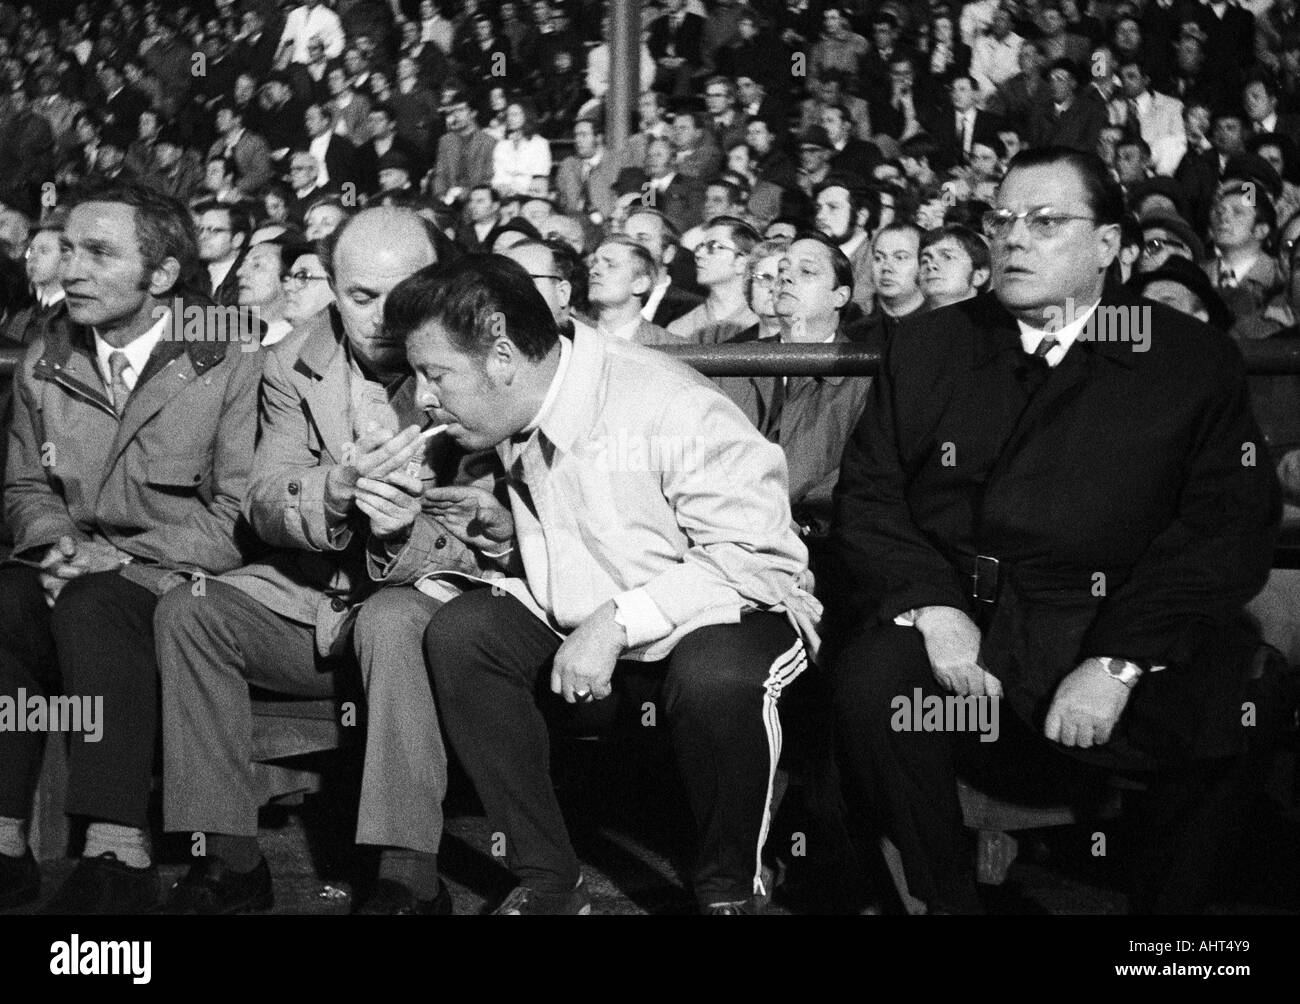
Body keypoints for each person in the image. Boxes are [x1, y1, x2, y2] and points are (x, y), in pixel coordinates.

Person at [830, 147, 1283, 915]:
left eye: (1045, 222)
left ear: (1107, 246)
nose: (1013, 238)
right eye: (1002, 220)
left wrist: (1119, 660)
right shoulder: (932, 346)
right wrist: (934, 610)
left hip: (1114, 629)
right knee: (876, 684)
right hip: (968, 645)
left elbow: (1227, 527)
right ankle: (944, 904)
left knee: (1244, 696)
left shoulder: (1185, 358)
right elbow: (871, 499)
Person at [390, 254, 818, 914]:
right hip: (606, 626)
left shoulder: (669, 401)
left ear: (502, 355)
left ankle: (732, 887)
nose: (422, 396)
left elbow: (759, 560)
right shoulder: (528, 394)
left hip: (734, 610)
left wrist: (617, 619)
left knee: (714, 677)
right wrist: (506, 536)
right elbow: (605, 530)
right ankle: (549, 882)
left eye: (435, 373)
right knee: (463, 634)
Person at [155, 208, 495, 916]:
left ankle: (409, 877)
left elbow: (494, 537)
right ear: (328, 287)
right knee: (189, 609)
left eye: (400, 294)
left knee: (394, 620)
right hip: (318, 603)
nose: (379, 317)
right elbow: (264, 499)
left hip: (434, 607)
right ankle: (229, 860)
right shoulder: (291, 359)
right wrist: (334, 491)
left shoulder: (482, 354)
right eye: (358, 295)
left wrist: (404, 528)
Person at [0, 182, 260, 913]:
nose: (70, 270)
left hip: (186, 579)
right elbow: (24, 486)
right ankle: (6, 840)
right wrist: (53, 543)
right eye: (68, 249)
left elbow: (239, 514)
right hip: (75, 569)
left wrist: (124, 561)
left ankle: (118, 846)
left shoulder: (228, 357)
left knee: (95, 606)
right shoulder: (46, 358)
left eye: (99, 253)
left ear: (165, 276)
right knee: (8, 601)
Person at [715, 231, 870, 546]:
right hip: (725, 535)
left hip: (824, 548)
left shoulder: (866, 377)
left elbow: (859, 476)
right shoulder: (733, 362)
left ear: (840, 296)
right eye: (782, 271)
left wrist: (805, 525)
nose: (785, 279)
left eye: (807, 272)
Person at [668, 216, 761, 344]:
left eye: (714, 246)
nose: (699, 254)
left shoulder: (764, 323)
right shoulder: (680, 329)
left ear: (742, 261)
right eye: (700, 247)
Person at [587, 235, 677, 346]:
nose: (594, 271)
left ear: (640, 284)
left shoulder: (671, 347)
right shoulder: (571, 340)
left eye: (610, 265)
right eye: (593, 264)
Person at [919, 224, 991, 309]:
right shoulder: (908, 322)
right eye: (924, 261)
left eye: (947, 257)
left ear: (979, 276)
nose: (930, 265)